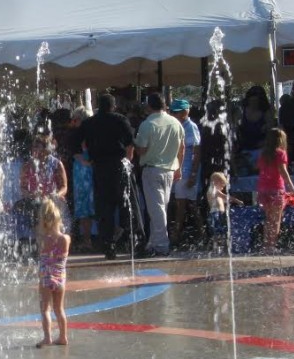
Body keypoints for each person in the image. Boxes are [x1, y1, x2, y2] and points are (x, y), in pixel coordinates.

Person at [77, 93, 137, 260]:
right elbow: (130, 142)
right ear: (113, 105)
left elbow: (74, 141)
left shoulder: (90, 123)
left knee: (105, 208)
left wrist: (84, 160)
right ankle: (132, 239)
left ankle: (108, 245)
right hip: (118, 164)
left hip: (100, 166)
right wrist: (128, 159)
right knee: (126, 203)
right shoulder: (120, 120)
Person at [134, 93, 184, 258]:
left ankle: (162, 244)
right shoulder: (176, 123)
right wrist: (179, 168)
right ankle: (153, 242)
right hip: (170, 169)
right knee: (161, 206)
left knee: (156, 209)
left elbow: (142, 149)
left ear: (149, 107)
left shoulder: (147, 124)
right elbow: (181, 147)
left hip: (152, 169)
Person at [256, 128, 294, 253]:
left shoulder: (263, 154)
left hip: (263, 190)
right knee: (276, 220)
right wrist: (293, 189)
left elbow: (260, 170)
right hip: (276, 189)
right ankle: (271, 246)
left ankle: (265, 245)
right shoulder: (281, 153)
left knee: (268, 218)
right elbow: (283, 172)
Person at [35, 197, 70, 347]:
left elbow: (42, 256)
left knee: (45, 309)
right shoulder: (66, 238)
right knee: (59, 309)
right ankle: (63, 337)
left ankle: (47, 338)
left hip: (46, 279)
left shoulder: (42, 239)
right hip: (60, 279)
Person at [169, 99, 203, 246]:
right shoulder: (176, 126)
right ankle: (201, 232)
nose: (173, 114)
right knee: (185, 203)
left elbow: (197, 151)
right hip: (179, 169)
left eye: (175, 112)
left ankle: (176, 235)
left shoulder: (191, 127)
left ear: (185, 112)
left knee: (186, 203)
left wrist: (194, 174)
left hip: (188, 169)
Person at [69, 106, 94, 252]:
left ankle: (87, 239)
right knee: (93, 202)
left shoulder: (77, 134)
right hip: (91, 168)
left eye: (75, 119)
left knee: (84, 204)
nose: (73, 122)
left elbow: (75, 152)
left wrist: (85, 160)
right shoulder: (95, 132)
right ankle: (90, 237)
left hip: (81, 169)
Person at [206, 171, 243, 254]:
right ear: (216, 182)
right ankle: (217, 248)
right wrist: (237, 201)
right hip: (216, 214)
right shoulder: (213, 190)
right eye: (222, 185)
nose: (223, 188)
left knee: (220, 231)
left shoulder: (216, 193)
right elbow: (226, 197)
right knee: (218, 231)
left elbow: (224, 200)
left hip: (219, 214)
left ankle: (219, 247)